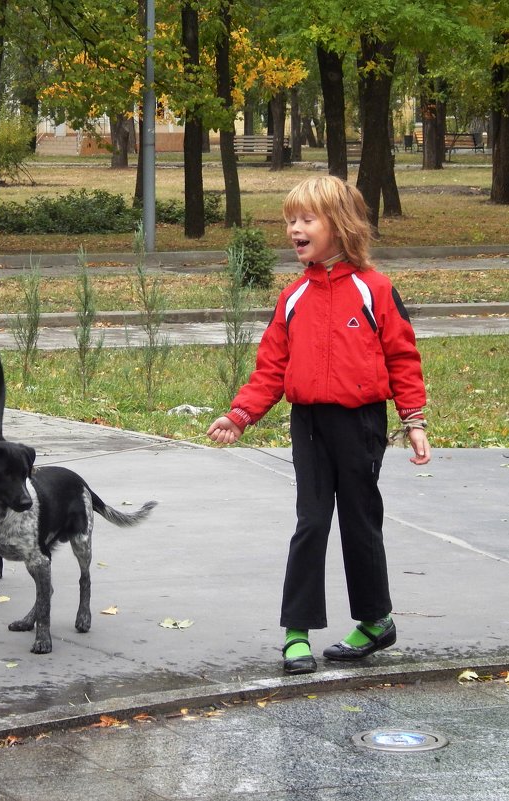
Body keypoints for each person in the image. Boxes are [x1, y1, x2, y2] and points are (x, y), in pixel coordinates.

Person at [206, 175, 431, 676]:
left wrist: (413, 418)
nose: (295, 229)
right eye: (290, 220)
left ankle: (376, 621)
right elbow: (270, 369)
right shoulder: (292, 298)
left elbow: (403, 356)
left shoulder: (374, 289)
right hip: (308, 424)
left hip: (361, 424)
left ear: (341, 225)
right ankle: (296, 632)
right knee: (311, 523)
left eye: (307, 219)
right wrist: (240, 415)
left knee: (359, 521)